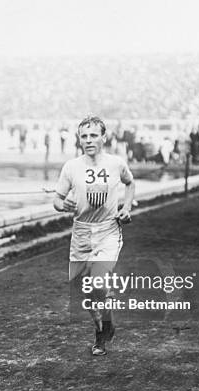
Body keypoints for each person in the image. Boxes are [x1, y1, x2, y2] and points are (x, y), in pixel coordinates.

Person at [53, 115, 135, 356]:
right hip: (80, 232)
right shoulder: (71, 167)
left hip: (108, 230)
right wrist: (62, 205)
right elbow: (57, 199)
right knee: (85, 290)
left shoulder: (116, 164)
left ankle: (100, 337)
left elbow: (130, 184)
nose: (89, 140)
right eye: (84, 136)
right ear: (79, 139)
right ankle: (103, 325)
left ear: (103, 137)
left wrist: (126, 208)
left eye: (93, 135)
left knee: (98, 280)